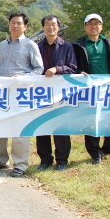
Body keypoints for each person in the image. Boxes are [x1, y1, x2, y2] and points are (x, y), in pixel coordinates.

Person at [0, 12, 43, 177]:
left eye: (19, 23)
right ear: (9, 24)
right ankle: (0, 159)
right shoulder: (2, 45)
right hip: (1, 93)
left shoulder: (30, 45)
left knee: (20, 129)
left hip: (21, 94)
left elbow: (39, 69)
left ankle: (20, 164)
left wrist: (23, 78)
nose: (15, 26)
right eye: (13, 22)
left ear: (25, 26)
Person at [72, 13, 110, 164]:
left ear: (101, 27)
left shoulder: (109, 43)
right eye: (90, 24)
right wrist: (78, 72)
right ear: (85, 27)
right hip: (89, 88)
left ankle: (108, 147)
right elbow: (72, 64)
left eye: (97, 23)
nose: (93, 26)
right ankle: (95, 152)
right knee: (92, 119)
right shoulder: (78, 45)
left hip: (109, 87)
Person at [35, 15, 77, 171]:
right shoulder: (37, 47)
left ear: (58, 27)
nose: (50, 27)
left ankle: (62, 160)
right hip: (41, 93)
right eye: (47, 24)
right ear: (43, 27)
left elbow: (73, 68)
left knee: (60, 126)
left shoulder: (66, 46)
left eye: (53, 25)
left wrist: (57, 69)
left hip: (60, 93)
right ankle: (45, 160)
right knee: (42, 126)